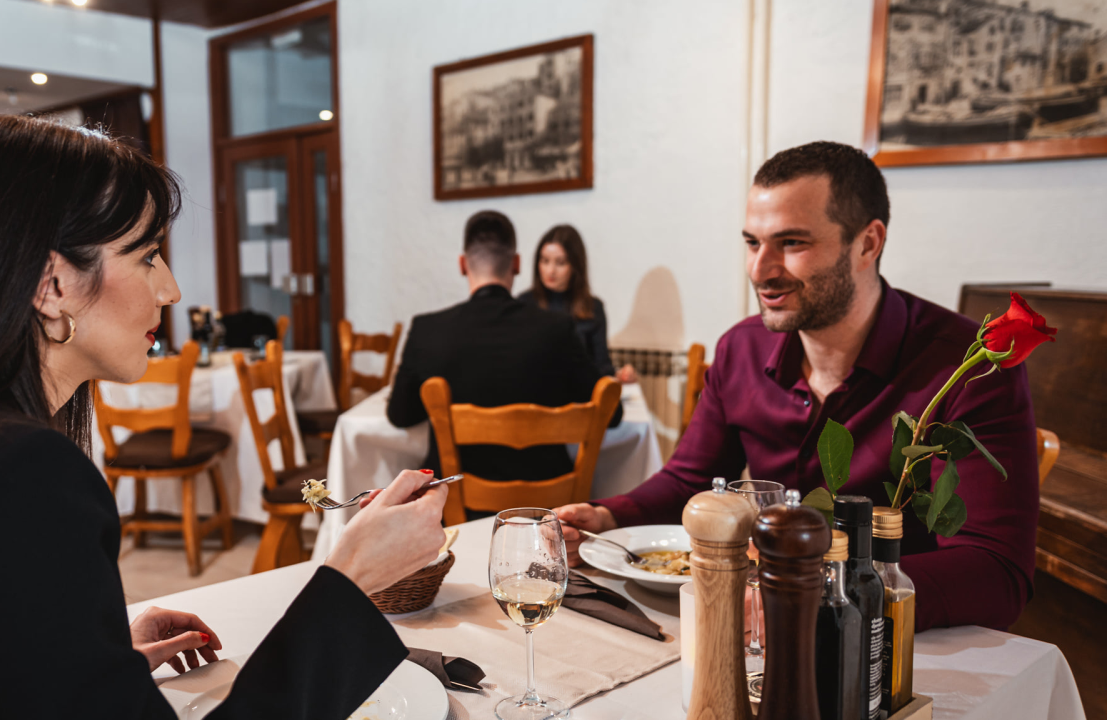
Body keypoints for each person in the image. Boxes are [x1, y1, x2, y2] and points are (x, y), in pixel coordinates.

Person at [0, 115, 449, 719]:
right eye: (148, 256)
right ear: (51, 285)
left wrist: (92, 659)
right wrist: (352, 580)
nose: (171, 290)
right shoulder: (13, 472)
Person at [557, 141, 1038, 632]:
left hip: (897, 647)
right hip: (762, 628)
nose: (760, 270)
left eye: (791, 243)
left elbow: (996, 571)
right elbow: (688, 479)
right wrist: (605, 517)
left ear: (868, 244)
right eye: (752, 242)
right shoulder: (740, 350)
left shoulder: (963, 367)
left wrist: (822, 590)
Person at [387, 210, 622, 484]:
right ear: (518, 264)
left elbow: (399, 415)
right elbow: (612, 413)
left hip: (452, 512)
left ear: (462, 264)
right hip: (542, 509)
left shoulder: (427, 330)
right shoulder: (557, 329)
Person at [518, 224, 638, 383]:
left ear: (575, 265)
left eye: (560, 263)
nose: (550, 271)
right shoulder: (524, 304)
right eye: (545, 261)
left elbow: (602, 367)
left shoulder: (592, 307)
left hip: (579, 397)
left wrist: (619, 374)